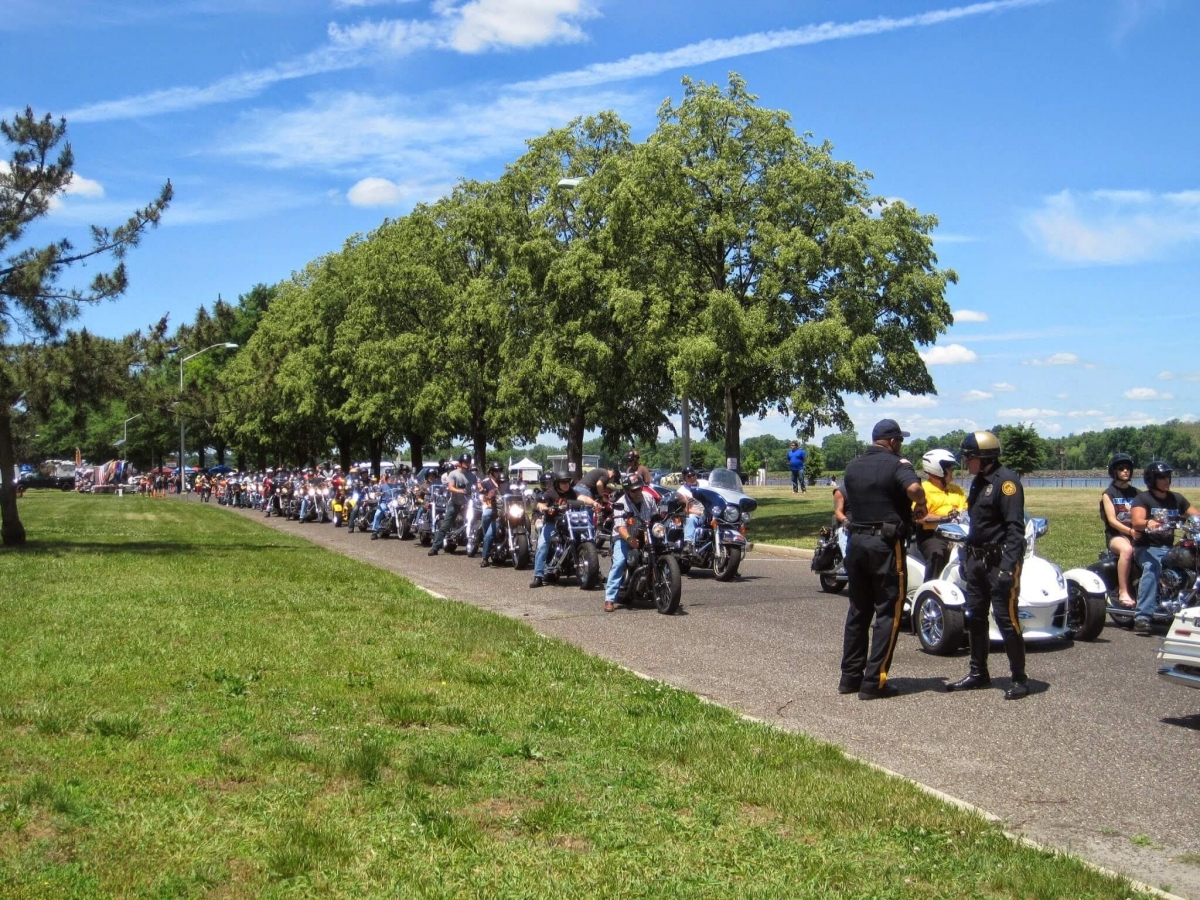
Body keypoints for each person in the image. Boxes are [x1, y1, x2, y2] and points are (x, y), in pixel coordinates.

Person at [838, 419, 926, 700]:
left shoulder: (853, 466)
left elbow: (842, 497)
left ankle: (850, 677)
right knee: (889, 612)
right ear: (891, 441)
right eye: (900, 440)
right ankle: (875, 681)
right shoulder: (898, 464)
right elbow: (913, 489)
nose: (901, 444)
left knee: (858, 611)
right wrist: (921, 504)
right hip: (885, 544)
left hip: (856, 542)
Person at [947, 431, 1030, 700]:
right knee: (976, 617)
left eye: (969, 458)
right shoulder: (979, 481)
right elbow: (978, 525)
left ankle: (1019, 678)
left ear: (983, 458)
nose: (965, 463)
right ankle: (978, 673)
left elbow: (1015, 529)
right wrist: (965, 559)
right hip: (977, 560)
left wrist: (1008, 567)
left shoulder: (1006, 483)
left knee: (1007, 619)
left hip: (1000, 560)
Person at [1130, 461, 1198, 635]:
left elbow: (1195, 515)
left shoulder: (1177, 498)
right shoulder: (1143, 499)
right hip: (1147, 547)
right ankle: (1142, 616)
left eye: (1168, 476)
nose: (1166, 480)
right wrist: (1148, 522)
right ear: (1152, 479)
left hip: (1168, 547)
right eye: (1161, 477)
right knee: (1153, 567)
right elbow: (1137, 521)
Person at [604, 472, 658, 612]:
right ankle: (610, 599)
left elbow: (655, 517)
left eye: (640, 487)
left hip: (644, 533)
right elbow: (620, 527)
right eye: (634, 489)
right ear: (628, 490)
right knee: (620, 562)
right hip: (623, 536)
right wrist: (629, 539)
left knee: (660, 552)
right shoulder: (620, 504)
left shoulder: (649, 498)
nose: (638, 491)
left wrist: (651, 530)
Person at [914, 449, 968, 580]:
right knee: (937, 554)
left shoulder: (956, 490)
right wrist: (946, 519)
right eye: (949, 468)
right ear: (939, 470)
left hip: (960, 534)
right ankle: (930, 593)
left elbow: (966, 510)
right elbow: (919, 518)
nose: (952, 471)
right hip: (933, 535)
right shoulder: (923, 490)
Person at [1099, 453, 1139, 609]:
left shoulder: (1138, 493)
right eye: (1121, 468)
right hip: (1116, 536)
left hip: (1137, 534)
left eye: (1128, 468)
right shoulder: (1108, 494)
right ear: (1113, 471)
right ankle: (1123, 591)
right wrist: (1130, 532)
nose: (1125, 471)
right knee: (1127, 550)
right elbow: (1112, 521)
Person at [530, 472, 579, 587]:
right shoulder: (550, 492)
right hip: (552, 523)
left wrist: (594, 503)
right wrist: (544, 507)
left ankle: (595, 572)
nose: (566, 484)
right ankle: (538, 576)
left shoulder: (572, 492)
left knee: (588, 539)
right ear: (557, 483)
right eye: (563, 482)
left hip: (570, 523)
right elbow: (540, 503)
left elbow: (582, 497)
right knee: (542, 545)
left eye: (567, 481)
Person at [428, 453, 472, 555]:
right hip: (455, 503)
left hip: (468, 503)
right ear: (460, 463)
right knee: (446, 525)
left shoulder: (472, 476)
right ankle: (435, 547)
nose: (467, 464)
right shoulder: (454, 474)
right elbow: (450, 487)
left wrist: (482, 489)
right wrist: (459, 491)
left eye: (468, 462)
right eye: (465, 462)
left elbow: (477, 486)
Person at [478, 462, 507, 567]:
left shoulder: (511, 491)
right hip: (498, 516)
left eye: (505, 482)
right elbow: (487, 494)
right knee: (488, 535)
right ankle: (485, 558)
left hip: (510, 517)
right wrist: (487, 498)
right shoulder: (494, 491)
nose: (503, 484)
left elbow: (520, 498)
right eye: (502, 482)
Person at [673, 466, 706, 553]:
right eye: (689, 476)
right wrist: (700, 512)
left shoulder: (705, 484)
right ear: (684, 478)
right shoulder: (681, 491)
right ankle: (689, 544)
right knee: (691, 518)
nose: (692, 477)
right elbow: (686, 510)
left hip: (709, 512)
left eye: (693, 475)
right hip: (695, 514)